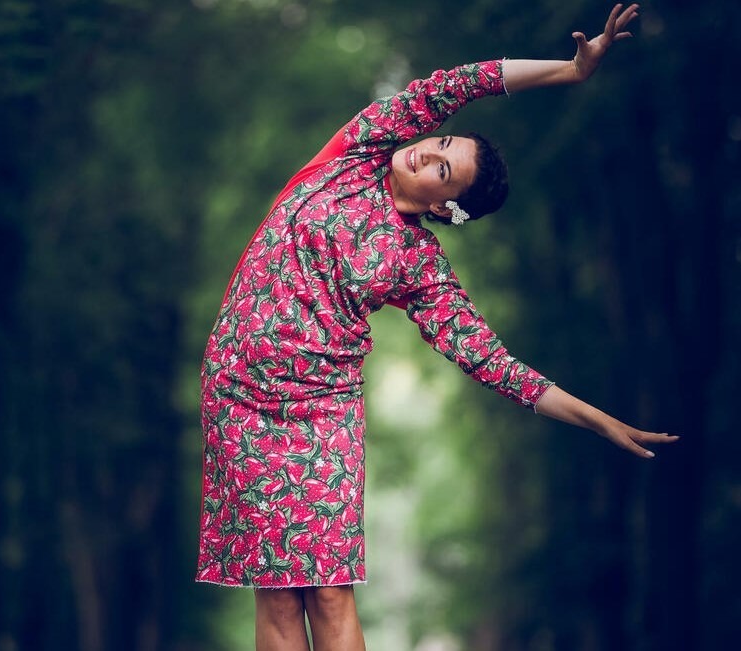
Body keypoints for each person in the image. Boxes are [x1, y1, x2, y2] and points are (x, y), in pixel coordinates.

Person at [196, 4, 677, 650]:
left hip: (319, 409)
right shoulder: (359, 150)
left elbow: (490, 359)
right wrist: (568, 70)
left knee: (330, 588)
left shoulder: (418, 264)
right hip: (240, 394)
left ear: (444, 206)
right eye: (442, 144)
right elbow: (456, 84)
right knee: (277, 591)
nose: (427, 152)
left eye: (441, 170)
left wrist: (595, 418)